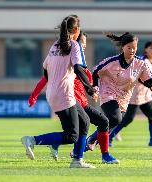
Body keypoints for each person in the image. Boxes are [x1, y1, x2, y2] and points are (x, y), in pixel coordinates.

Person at [28, 31, 119, 164]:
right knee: (100, 122)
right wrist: (34, 96)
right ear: (75, 41)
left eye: (85, 44)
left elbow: (88, 79)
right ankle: (100, 156)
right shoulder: (71, 60)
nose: (83, 46)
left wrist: (94, 88)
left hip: (81, 101)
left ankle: (68, 151)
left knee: (77, 130)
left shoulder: (80, 62)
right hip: (72, 101)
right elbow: (45, 78)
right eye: (81, 42)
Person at [21, 15, 96, 168]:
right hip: (64, 94)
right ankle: (32, 140)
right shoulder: (75, 45)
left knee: (85, 122)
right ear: (76, 30)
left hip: (55, 93)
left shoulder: (55, 45)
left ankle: (77, 161)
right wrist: (89, 88)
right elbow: (78, 68)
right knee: (72, 135)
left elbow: (46, 72)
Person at [85, 32, 152, 151]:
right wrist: (94, 88)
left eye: (134, 48)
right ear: (123, 47)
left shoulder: (140, 63)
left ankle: (87, 144)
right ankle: (96, 144)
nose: (132, 50)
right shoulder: (112, 61)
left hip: (124, 98)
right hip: (108, 94)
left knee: (114, 122)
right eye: (129, 48)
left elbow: (149, 78)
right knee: (116, 119)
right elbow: (95, 72)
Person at [109, 40, 152, 147]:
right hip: (135, 95)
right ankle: (110, 137)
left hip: (146, 95)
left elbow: (151, 79)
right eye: (151, 48)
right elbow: (140, 78)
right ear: (145, 50)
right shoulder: (141, 61)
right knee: (127, 119)